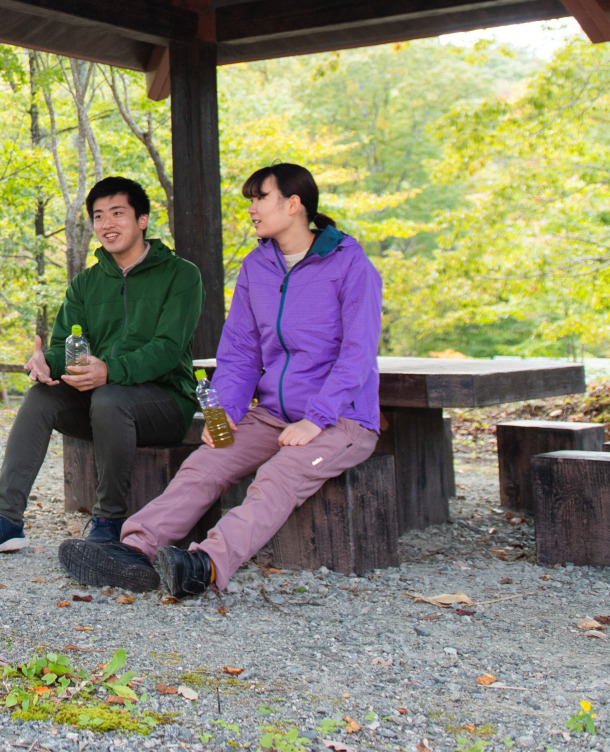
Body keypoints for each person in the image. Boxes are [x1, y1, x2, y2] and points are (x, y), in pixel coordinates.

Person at [57, 163, 381, 596]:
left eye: (259, 198)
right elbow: (241, 353)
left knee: (277, 478)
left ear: (294, 203)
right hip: (271, 415)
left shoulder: (350, 265)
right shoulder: (257, 268)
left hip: (342, 421)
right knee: (206, 462)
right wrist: (222, 415)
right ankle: (134, 550)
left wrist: (315, 419)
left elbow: (356, 354)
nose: (251, 209)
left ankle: (205, 566)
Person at [0, 176, 202, 553]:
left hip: (165, 403)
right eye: (99, 216)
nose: (107, 224)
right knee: (41, 397)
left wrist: (110, 371)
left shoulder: (181, 275)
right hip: (101, 403)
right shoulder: (86, 283)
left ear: (142, 219)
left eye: (118, 213)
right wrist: (46, 362)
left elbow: (168, 349)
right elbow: (67, 349)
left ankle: (109, 519)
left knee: (110, 398)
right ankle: (7, 519)